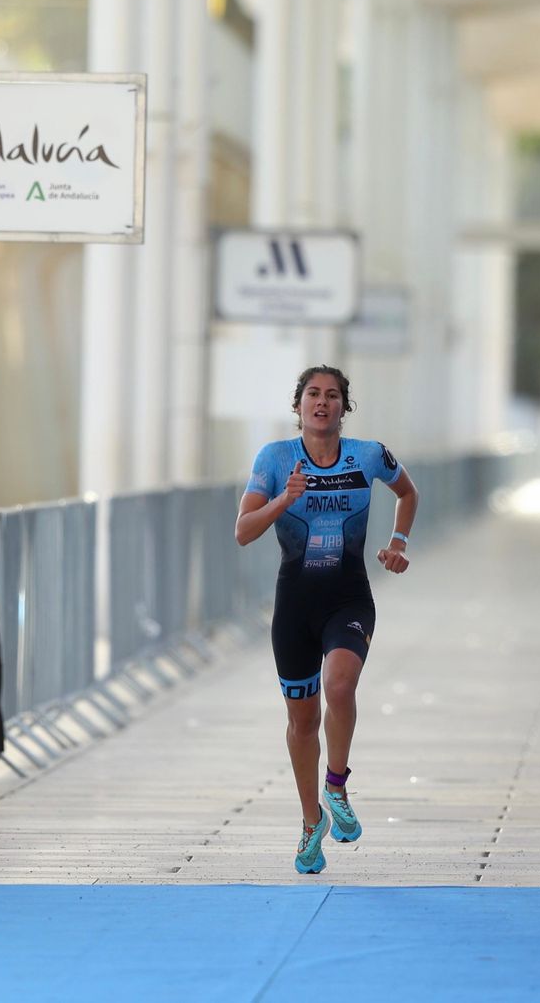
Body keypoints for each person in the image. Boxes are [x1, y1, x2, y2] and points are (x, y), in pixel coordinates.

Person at [235, 366, 419, 875]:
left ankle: (336, 784)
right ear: (297, 406)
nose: (322, 403)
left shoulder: (368, 455)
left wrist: (398, 543)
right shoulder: (273, 460)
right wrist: (284, 499)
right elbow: (243, 531)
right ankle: (309, 820)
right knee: (302, 721)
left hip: (348, 600)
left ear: (344, 407)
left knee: (340, 686)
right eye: (313, 395)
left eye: (332, 395)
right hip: (294, 606)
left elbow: (408, 492)